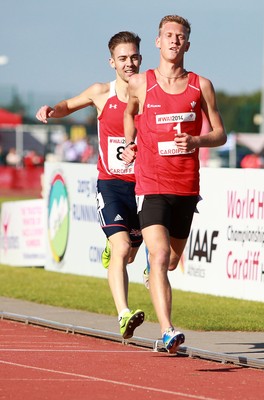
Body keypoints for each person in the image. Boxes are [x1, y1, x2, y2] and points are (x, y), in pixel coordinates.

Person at [122, 15, 227, 353]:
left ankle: (152, 274)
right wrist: (130, 142)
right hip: (151, 183)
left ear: (187, 44)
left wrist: (196, 142)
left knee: (167, 263)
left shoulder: (201, 85)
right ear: (158, 42)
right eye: (168, 35)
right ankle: (168, 330)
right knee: (159, 252)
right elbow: (129, 113)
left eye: (180, 36)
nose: (174, 41)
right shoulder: (141, 83)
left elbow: (220, 134)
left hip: (186, 186)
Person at [36, 31, 145, 340]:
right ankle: (124, 314)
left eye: (134, 57)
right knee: (122, 247)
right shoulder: (101, 92)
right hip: (111, 183)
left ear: (141, 58)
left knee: (130, 253)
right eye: (122, 58)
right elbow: (68, 105)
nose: (129, 63)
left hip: (143, 185)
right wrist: (51, 110)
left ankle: (119, 253)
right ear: (112, 62)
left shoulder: (151, 91)